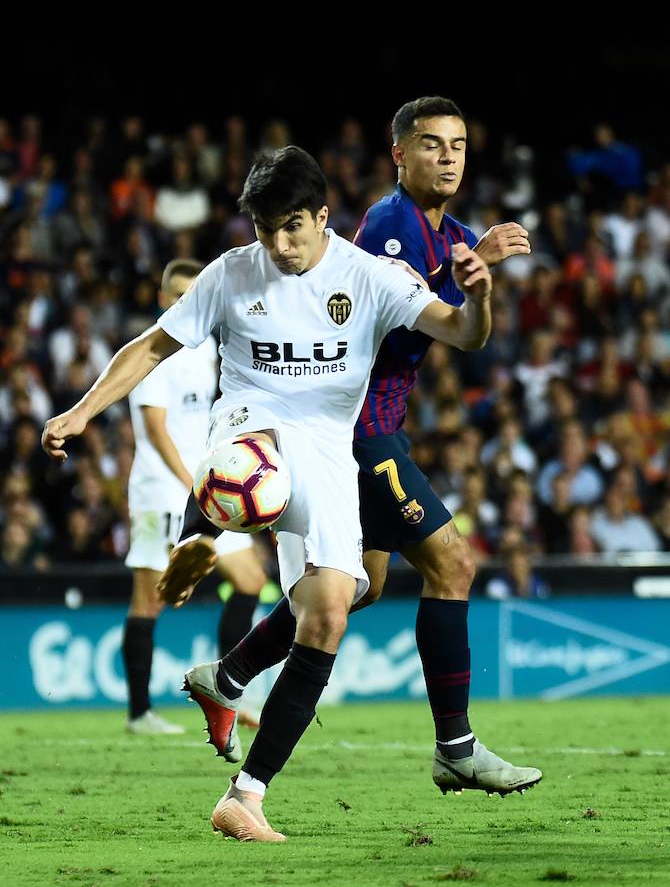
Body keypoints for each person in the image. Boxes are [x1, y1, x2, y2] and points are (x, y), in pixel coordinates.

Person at [42, 144, 540, 844]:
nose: (278, 245)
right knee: (257, 468)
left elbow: (462, 333)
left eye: (293, 228)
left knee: (334, 609)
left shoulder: (369, 276)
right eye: (265, 229)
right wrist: (78, 412)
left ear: (323, 217)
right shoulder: (231, 274)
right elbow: (152, 346)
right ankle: (206, 534)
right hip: (253, 422)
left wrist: (480, 296)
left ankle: (245, 795)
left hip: (333, 450)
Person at [158, 98, 541, 810]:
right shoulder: (392, 227)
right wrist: (463, 281)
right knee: (451, 564)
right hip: (356, 433)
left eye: (458, 144)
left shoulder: (453, 232)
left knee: (358, 588)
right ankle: (454, 748)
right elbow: (386, 333)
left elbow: (462, 329)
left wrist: (476, 288)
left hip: (376, 429)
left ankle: (230, 675)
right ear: (400, 154)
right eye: (431, 145)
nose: (448, 157)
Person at [122, 258, 267, 735]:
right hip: (163, 491)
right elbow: (155, 429)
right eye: (179, 295)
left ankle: (228, 688)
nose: (187, 303)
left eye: (193, 295)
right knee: (149, 600)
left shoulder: (205, 350)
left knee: (250, 579)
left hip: (205, 490)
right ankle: (140, 713)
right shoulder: (156, 352)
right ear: (165, 299)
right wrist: (191, 481)